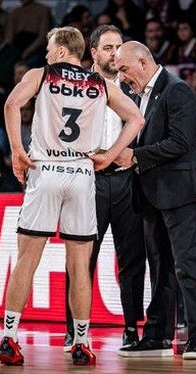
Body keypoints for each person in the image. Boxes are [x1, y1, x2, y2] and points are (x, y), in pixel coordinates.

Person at [0, 26, 144, 366]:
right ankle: (80, 342)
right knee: (80, 266)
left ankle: (9, 337)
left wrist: (18, 151)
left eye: (49, 48)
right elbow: (136, 118)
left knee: (26, 261)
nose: (47, 54)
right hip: (81, 174)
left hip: (45, 169)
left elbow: (11, 104)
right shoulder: (101, 84)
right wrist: (109, 156)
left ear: (62, 51)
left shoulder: (41, 75)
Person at [113, 40, 196, 360]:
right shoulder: (135, 95)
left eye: (124, 69)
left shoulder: (178, 90)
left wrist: (135, 156)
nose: (123, 77)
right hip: (151, 193)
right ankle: (156, 334)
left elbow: (181, 142)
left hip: (182, 193)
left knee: (186, 264)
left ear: (143, 62)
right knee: (159, 267)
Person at [62, 24, 146, 352]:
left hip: (126, 179)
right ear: (93, 53)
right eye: (109, 48)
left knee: (132, 258)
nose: (116, 53)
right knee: (83, 258)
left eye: (119, 47)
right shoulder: (74, 87)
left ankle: (130, 329)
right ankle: (74, 329)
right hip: (88, 180)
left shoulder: (134, 88)